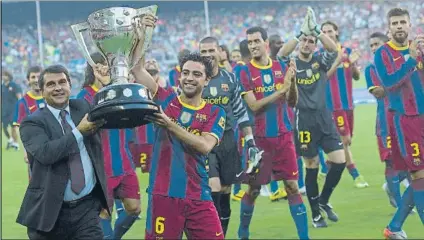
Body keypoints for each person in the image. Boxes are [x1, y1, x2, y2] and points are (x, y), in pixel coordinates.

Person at [16, 64, 109, 239]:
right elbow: (46, 153)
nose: (58, 87)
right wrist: (79, 132)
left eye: (62, 82)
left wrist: (107, 86)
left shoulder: (82, 107)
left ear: (69, 85)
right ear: (42, 91)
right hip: (50, 213)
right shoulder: (32, 123)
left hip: (87, 209)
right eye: (51, 84)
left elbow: (110, 113)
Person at [236, 25, 309, 239]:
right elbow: (254, 106)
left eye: (256, 41)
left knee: (292, 187)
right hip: (259, 141)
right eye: (249, 42)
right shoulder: (244, 71)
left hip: (284, 136)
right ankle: (243, 231)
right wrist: (282, 89)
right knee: (254, 190)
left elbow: (292, 101)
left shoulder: (280, 66)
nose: (253, 45)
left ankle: (304, 236)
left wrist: (292, 83)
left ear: (266, 43)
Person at [279, 7, 345, 228]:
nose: (307, 44)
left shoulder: (320, 60)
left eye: (310, 41)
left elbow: (334, 49)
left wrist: (316, 31)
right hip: (304, 120)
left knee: (339, 161)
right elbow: (280, 54)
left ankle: (324, 200)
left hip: (324, 117)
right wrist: (300, 33)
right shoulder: (292, 63)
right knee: (312, 166)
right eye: (304, 41)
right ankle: (316, 214)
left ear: (315, 44)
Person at [76, 52, 141, 240]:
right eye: (103, 64)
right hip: (101, 166)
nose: (107, 68)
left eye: (109, 65)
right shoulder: (84, 95)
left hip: (123, 162)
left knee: (134, 208)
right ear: (93, 68)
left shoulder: (117, 90)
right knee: (105, 213)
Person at [372, 8, 424, 239]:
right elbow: (390, 83)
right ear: (389, 27)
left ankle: (393, 227)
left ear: (410, 24)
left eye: (403, 22)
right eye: (395, 23)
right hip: (405, 120)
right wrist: (411, 59)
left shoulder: (420, 49)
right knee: (418, 175)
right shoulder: (383, 53)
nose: (400, 26)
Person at [199, 36, 256, 236]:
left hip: (228, 140)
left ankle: (220, 233)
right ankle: (210, 231)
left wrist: (249, 139)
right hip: (205, 141)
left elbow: (240, 111)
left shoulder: (230, 79)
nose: (207, 55)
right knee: (213, 187)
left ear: (219, 51)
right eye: (203, 52)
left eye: (210, 51)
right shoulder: (196, 79)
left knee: (225, 191)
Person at [364, 32, 412, 210]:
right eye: (371, 45)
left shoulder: (400, 63)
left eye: (377, 44)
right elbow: (379, 92)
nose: (374, 48)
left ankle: (391, 186)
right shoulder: (371, 69)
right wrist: (400, 80)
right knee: (391, 161)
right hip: (385, 123)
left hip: (407, 118)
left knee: (412, 160)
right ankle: (399, 205)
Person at [321, 20, 369, 188]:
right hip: (333, 105)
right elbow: (323, 78)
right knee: (344, 140)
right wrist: (338, 61)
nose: (327, 34)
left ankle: (326, 166)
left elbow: (355, 76)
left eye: (329, 31)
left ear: (336, 32)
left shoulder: (347, 51)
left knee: (346, 141)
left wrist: (354, 63)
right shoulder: (322, 55)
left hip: (348, 104)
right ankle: (355, 174)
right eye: (324, 32)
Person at [12, 66, 44, 179]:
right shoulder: (23, 102)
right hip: (34, 152)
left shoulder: (51, 98)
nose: (36, 79)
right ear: (28, 80)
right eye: (33, 77)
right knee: (37, 187)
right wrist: (25, 151)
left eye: (39, 76)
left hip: (55, 148)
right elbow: (19, 128)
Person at [1, 69, 22, 150]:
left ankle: (16, 144)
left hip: (13, 110)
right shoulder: (2, 86)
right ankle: (10, 139)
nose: (3, 76)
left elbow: (19, 98)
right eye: (2, 75)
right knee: (4, 127)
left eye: (5, 75)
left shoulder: (14, 85)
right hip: (4, 111)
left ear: (9, 76)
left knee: (13, 128)